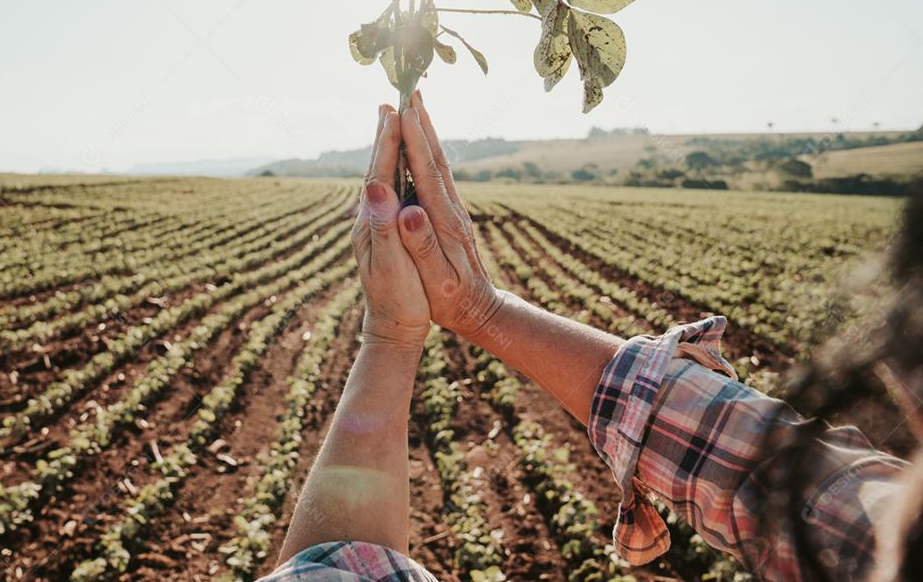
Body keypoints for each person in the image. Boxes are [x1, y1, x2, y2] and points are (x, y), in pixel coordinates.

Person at [258, 92, 920, 582]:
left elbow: (339, 568)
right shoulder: (885, 544)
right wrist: (480, 311)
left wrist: (392, 335)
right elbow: (793, 485)